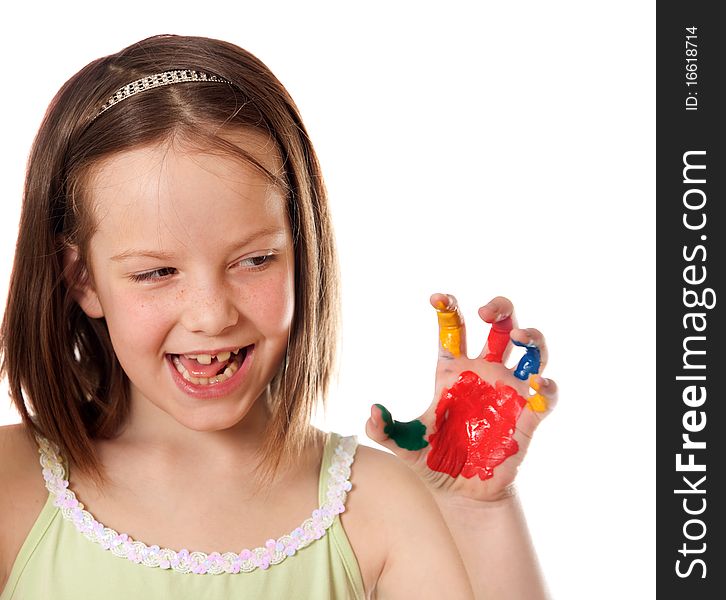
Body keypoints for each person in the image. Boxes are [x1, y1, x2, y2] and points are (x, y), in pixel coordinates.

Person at [0, 34, 558, 599]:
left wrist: (474, 509)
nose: (212, 315)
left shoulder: (376, 508)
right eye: (156, 273)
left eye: (255, 260)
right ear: (83, 279)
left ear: (301, 252)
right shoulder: (11, 489)